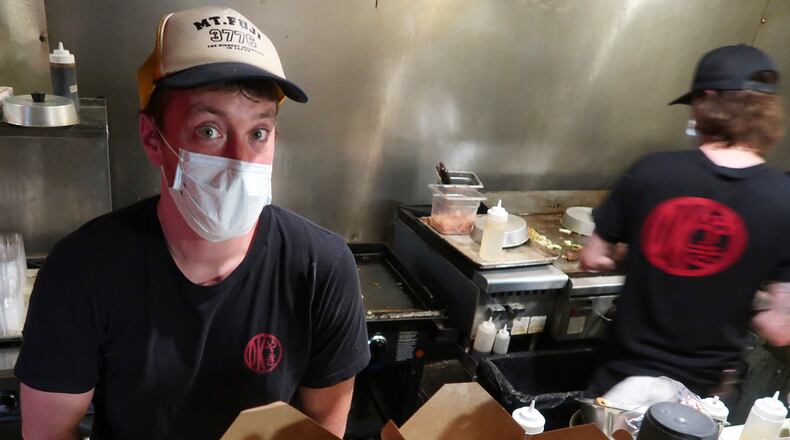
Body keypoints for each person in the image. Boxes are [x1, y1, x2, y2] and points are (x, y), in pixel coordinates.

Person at [15, 5, 370, 439]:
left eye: (258, 132)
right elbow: (49, 432)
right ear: (152, 138)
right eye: (209, 130)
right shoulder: (82, 270)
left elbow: (323, 428)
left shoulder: (321, 267)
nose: (240, 161)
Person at [581, 44, 790, 400]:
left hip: (621, 383)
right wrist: (737, 292)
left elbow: (592, 258)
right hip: (705, 397)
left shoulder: (651, 171)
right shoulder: (784, 199)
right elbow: (780, 328)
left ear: (706, 100)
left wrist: (642, 257)